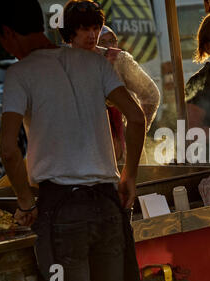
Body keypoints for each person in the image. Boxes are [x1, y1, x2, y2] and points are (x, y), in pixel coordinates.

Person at [0, 0, 146, 281]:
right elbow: (137, 117)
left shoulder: (20, 73)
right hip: (109, 206)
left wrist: (25, 202)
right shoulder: (95, 63)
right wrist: (129, 177)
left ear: (7, 32)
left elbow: (8, 149)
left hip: (61, 212)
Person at [59, 0, 160, 163]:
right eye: (85, 29)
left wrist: (134, 130)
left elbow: (151, 95)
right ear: (70, 33)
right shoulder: (60, 66)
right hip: (83, 158)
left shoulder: (117, 60)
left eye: (96, 28)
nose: (92, 35)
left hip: (126, 158)